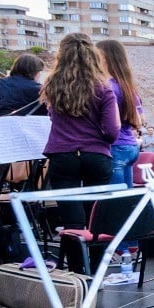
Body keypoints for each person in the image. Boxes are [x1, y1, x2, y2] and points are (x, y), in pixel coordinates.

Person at [41, 33, 120, 229]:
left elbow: (51, 118)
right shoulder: (103, 88)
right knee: (96, 217)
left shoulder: (52, 86)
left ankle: (77, 260)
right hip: (96, 156)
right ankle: (97, 259)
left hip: (63, 156)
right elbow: (112, 132)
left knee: (71, 220)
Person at [96, 40, 144, 188]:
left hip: (115, 147)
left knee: (115, 201)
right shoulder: (127, 87)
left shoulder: (107, 87)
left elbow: (110, 122)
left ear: (103, 57)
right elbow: (140, 120)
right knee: (126, 199)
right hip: (130, 146)